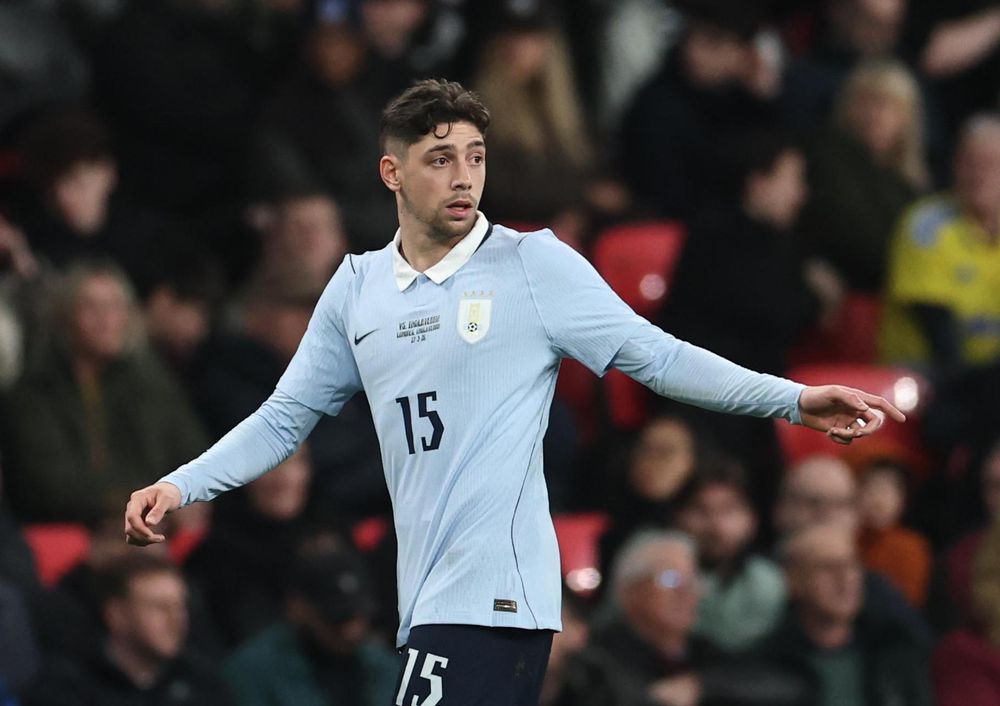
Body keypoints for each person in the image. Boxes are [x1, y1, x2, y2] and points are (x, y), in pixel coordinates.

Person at [125, 79, 904, 705]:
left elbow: (654, 356)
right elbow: (285, 416)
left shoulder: (533, 265)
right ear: (392, 173)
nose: (463, 175)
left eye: (475, 156)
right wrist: (180, 483)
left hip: (495, 596)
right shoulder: (357, 288)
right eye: (440, 158)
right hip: (426, 598)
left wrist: (792, 399)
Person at [2, 260, 208, 524]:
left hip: (152, 520)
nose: (105, 319)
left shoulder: (149, 383)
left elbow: (192, 452)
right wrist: (143, 501)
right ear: (65, 316)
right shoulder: (35, 392)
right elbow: (48, 487)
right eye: (90, 307)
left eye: (114, 307)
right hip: (69, 530)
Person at [24, 553, 232, 706]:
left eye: (180, 606)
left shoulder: (204, 684)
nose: (176, 619)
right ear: (117, 615)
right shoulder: (65, 688)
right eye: (159, 607)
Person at [879, 113, 1000, 372]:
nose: (978, 175)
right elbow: (937, 328)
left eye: (991, 165)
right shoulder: (926, 224)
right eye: (969, 162)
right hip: (927, 373)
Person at [765, 521, 933, 706]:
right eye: (827, 568)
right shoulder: (766, 663)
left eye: (852, 565)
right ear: (792, 580)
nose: (845, 579)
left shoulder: (894, 652)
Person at [798, 59, 930, 293]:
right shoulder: (827, 154)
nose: (873, 114)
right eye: (863, 102)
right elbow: (851, 235)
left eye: (885, 104)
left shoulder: (913, 182)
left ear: (907, 117)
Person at [223, 547, 399, 706]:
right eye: (337, 618)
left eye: (358, 616)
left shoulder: (385, 666)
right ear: (298, 608)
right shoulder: (254, 671)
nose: (352, 631)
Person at [675, 461, 787, 652]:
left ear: (752, 519)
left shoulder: (768, 582)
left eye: (728, 510)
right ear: (677, 516)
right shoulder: (656, 567)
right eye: (700, 510)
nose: (715, 526)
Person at [857, 459, 932, 608]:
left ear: (903, 500)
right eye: (872, 488)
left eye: (889, 490)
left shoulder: (912, 547)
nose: (879, 498)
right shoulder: (847, 541)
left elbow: (909, 602)